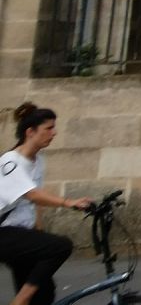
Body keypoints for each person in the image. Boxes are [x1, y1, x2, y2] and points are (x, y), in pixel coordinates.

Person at [0, 103, 91, 305]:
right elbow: (32, 195)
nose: (54, 133)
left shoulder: (38, 160)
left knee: (43, 293)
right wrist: (68, 202)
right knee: (60, 247)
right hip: (4, 233)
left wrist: (39, 230)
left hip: (22, 233)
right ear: (30, 132)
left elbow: (35, 202)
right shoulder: (10, 161)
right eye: (48, 128)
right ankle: (19, 301)